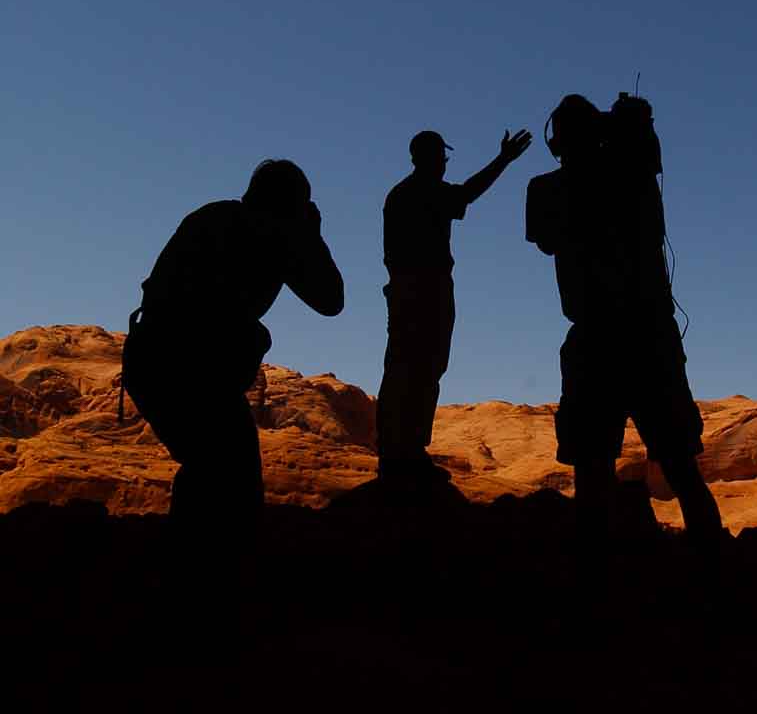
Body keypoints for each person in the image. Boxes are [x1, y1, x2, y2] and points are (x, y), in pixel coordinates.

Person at [525, 93, 723, 546]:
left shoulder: (548, 189)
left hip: (595, 339)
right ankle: (715, 575)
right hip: (649, 335)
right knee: (679, 467)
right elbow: (647, 167)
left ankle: (596, 586)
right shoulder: (631, 175)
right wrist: (626, 128)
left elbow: (545, 237)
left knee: (592, 471)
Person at [121, 159, 344, 530]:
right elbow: (331, 300)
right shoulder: (273, 233)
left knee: (211, 467)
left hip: (152, 358)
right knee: (227, 472)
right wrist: (311, 235)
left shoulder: (212, 216)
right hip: (193, 369)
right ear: (292, 204)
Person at [376, 126, 532, 487]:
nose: (444, 164)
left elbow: (460, 196)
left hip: (409, 290)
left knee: (409, 366)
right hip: (423, 290)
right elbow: (467, 194)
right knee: (420, 367)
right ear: (429, 159)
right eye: (441, 158)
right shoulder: (421, 192)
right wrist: (503, 160)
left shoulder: (402, 193)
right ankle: (405, 453)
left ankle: (399, 451)